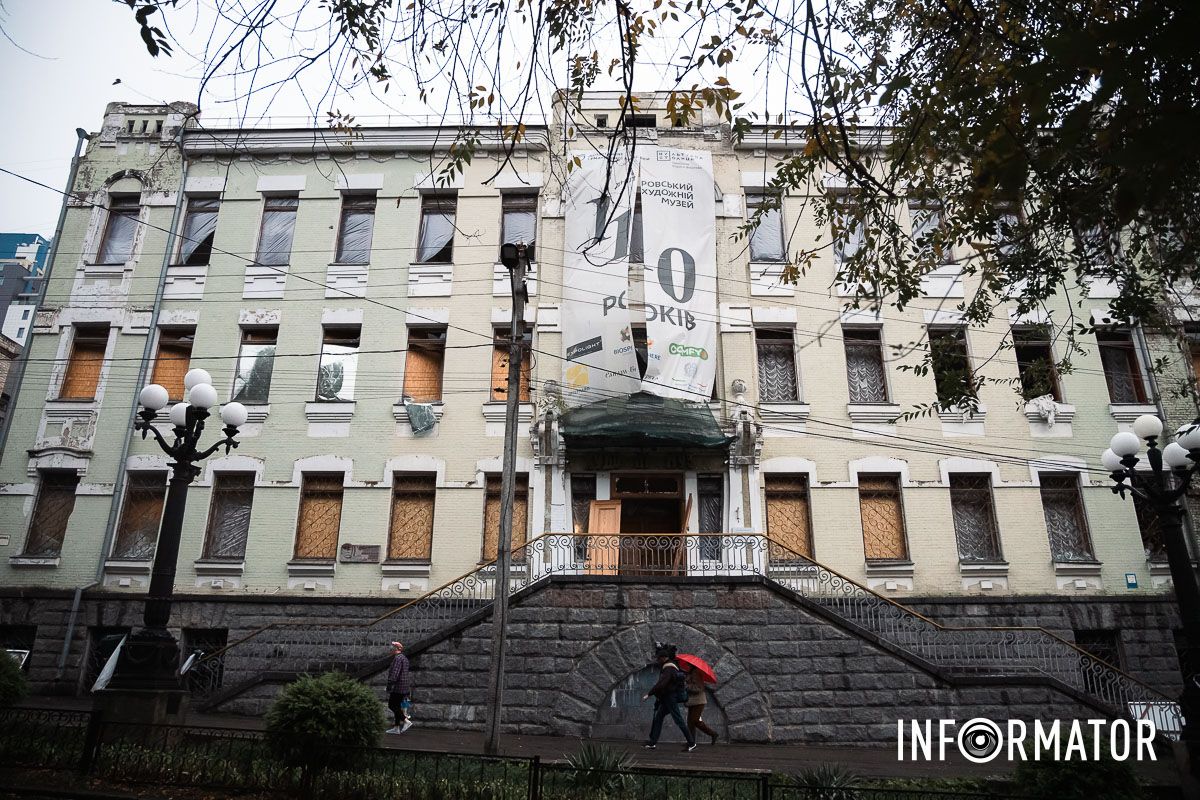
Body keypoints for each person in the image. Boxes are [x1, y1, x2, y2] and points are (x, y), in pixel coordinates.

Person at [641, 643, 696, 752]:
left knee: (678, 720)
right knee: (658, 718)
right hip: (667, 698)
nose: (657, 660)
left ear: (663, 658)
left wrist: (649, 694)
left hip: (670, 698)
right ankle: (652, 742)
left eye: (658, 658)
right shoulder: (670, 666)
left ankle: (691, 743)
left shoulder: (669, 668)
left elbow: (662, 683)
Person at [684, 665, 718, 745]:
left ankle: (713, 734)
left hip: (698, 701)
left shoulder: (696, 673)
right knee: (690, 722)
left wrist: (687, 687)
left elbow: (699, 688)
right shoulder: (691, 672)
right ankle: (691, 741)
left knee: (695, 720)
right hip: (692, 701)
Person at [385, 641, 413, 734]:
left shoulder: (397, 659)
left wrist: (389, 685)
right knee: (397, 706)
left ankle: (406, 721)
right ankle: (396, 728)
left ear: (396, 649)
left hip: (398, 686)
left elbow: (395, 674)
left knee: (391, 705)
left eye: (392, 647)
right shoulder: (404, 658)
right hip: (404, 686)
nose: (390, 649)